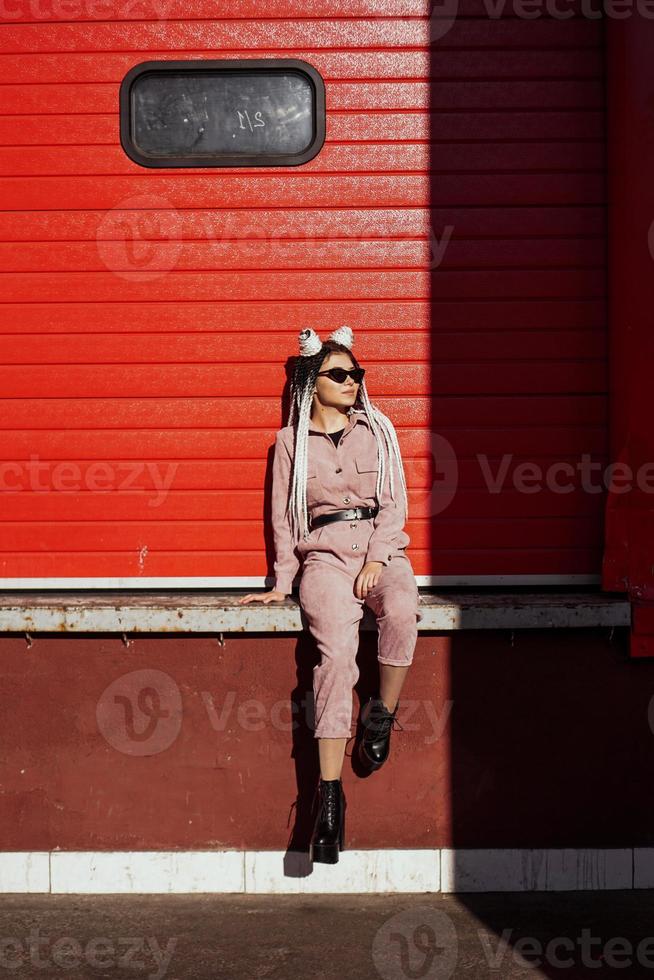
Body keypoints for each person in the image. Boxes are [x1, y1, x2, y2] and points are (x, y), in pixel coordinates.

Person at [238, 325, 421, 864]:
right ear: (311, 383)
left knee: (404, 610)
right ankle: (328, 799)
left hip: (379, 549)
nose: (351, 382)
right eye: (339, 374)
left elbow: (394, 507)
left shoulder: (379, 432)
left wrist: (378, 559)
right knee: (336, 658)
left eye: (355, 374)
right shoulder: (290, 443)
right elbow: (284, 520)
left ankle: (381, 714)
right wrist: (280, 583)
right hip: (324, 557)